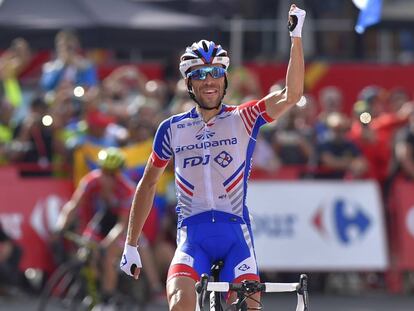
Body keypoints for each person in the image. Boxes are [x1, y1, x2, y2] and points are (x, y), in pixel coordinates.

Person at [120, 4, 306, 310]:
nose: (210, 80)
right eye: (201, 74)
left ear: (225, 78)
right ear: (189, 83)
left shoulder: (244, 117)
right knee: (181, 303)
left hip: (235, 234)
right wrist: (131, 244)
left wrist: (295, 36)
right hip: (193, 236)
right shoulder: (172, 128)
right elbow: (148, 184)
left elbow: (292, 94)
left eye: (216, 73)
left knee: (249, 307)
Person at [54, 147, 165, 310]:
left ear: (118, 173)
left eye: (112, 174)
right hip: (105, 218)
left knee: (109, 255)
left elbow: (122, 224)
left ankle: (107, 300)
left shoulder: (126, 190)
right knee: (87, 249)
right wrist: (60, 225)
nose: (106, 177)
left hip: (124, 223)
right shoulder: (91, 180)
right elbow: (73, 205)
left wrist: (107, 243)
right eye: (104, 172)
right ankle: (93, 290)